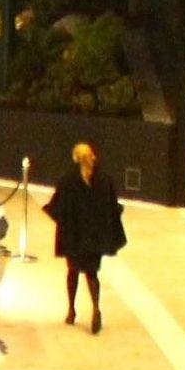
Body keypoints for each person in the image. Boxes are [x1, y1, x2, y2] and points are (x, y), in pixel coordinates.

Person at [44, 141, 125, 333]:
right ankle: (96, 308)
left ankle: (71, 311)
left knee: (72, 272)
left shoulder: (67, 180)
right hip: (94, 238)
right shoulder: (104, 180)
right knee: (92, 274)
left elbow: (57, 206)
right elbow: (113, 207)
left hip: (74, 236)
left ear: (75, 158)